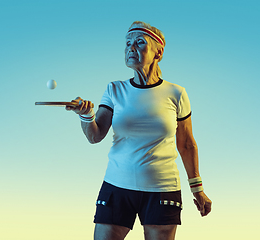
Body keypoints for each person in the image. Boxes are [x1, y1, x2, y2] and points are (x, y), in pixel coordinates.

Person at [66, 21, 212, 240]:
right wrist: (86, 115)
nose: (130, 48)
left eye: (139, 42)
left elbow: (187, 144)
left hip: (162, 189)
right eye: (127, 43)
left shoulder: (177, 93)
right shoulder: (114, 89)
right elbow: (95, 136)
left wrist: (197, 188)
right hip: (116, 185)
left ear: (158, 53)